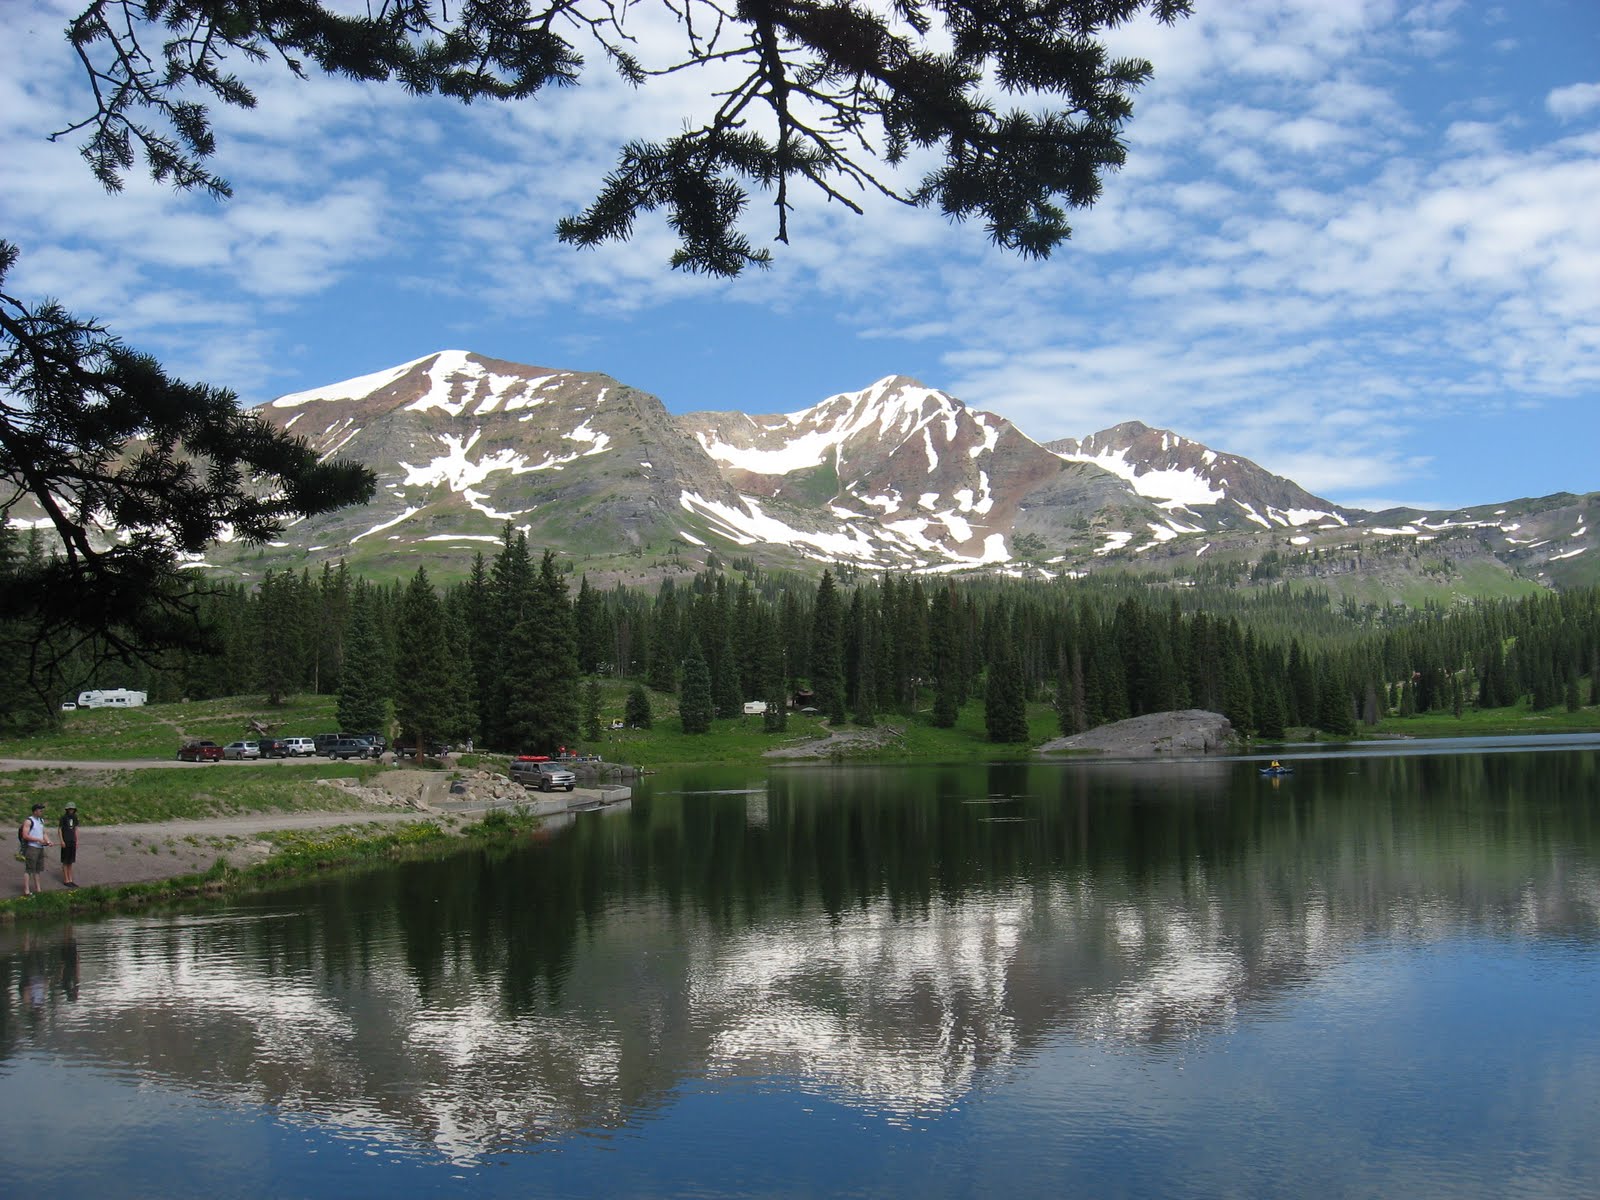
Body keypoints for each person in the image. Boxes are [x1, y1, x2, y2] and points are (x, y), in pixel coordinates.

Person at [20, 802, 51, 896]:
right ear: (35, 811)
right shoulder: (29, 821)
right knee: (29, 869)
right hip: (32, 848)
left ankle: (38, 889)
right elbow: (25, 835)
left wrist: (48, 841)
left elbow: (44, 833)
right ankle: (26, 891)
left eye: (41, 809)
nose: (41, 811)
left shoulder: (41, 820)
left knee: (38, 870)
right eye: (39, 809)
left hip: (40, 848)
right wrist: (38, 839)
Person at [59, 800, 80, 888]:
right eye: (70, 809)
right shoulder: (63, 818)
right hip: (66, 841)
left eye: (72, 809)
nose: (71, 810)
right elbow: (59, 830)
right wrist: (62, 841)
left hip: (72, 841)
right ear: (67, 809)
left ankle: (71, 879)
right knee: (65, 861)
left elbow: (76, 829)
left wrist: (77, 840)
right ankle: (66, 880)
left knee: (70, 861)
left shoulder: (74, 817)